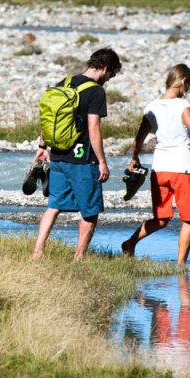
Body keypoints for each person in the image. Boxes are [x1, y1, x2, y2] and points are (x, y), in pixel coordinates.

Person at [121, 64, 190, 266]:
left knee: (161, 219)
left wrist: (134, 158)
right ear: (185, 83)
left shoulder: (151, 107)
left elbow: (138, 139)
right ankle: (180, 266)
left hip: (160, 169)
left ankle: (130, 243)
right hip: (182, 169)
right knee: (188, 219)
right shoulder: (182, 106)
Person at [32, 48, 122, 260]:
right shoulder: (96, 91)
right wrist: (102, 161)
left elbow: (49, 118)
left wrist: (43, 146)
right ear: (106, 68)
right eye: (111, 75)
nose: (109, 80)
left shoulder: (65, 82)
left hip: (58, 155)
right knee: (90, 210)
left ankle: (37, 253)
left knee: (54, 206)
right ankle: (78, 258)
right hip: (83, 160)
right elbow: (93, 128)